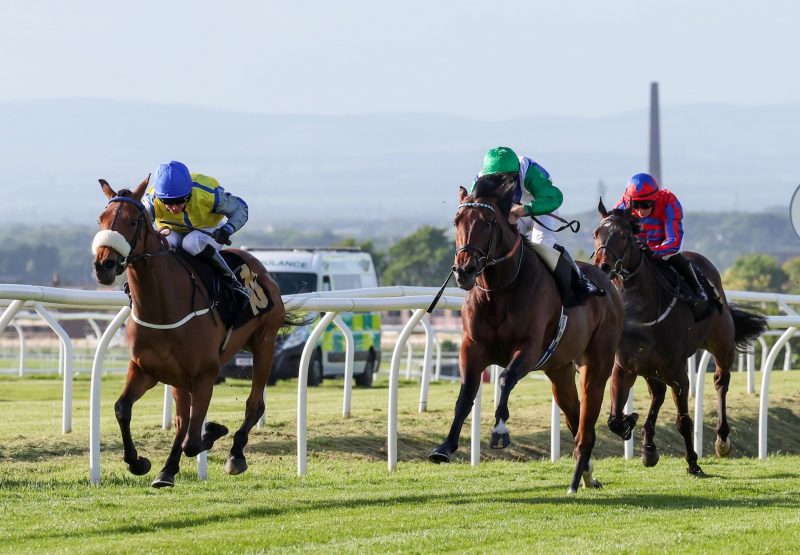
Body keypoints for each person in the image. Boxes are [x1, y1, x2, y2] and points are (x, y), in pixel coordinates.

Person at [475, 146, 602, 306]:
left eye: (506, 179)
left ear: (515, 173)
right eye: (496, 180)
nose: (502, 185)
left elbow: (555, 197)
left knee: (542, 242)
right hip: (512, 211)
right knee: (498, 241)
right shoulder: (480, 178)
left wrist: (523, 210)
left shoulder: (529, 172)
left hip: (541, 207)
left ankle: (580, 280)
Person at [143, 160, 250, 302]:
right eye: (167, 202)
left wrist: (226, 230)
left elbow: (240, 209)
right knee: (164, 243)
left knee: (191, 242)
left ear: (189, 194)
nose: (174, 208)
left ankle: (232, 282)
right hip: (172, 231)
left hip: (208, 230)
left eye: (179, 201)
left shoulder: (206, 193)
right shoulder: (151, 200)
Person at [614, 172, 709, 319]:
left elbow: (674, 242)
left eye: (645, 205)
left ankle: (697, 291)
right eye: (636, 205)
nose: (640, 211)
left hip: (663, 249)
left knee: (675, 257)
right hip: (635, 251)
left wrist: (654, 251)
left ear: (655, 199)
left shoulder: (669, 202)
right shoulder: (621, 208)